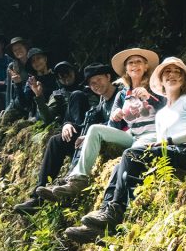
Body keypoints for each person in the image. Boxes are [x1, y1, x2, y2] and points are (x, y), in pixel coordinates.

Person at [65, 57, 186, 244]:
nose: (172, 76)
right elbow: (159, 142)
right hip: (173, 153)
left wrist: (168, 141)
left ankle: (115, 213)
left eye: (178, 73)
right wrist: (162, 144)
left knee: (131, 154)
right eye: (167, 73)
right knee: (119, 166)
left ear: (184, 79)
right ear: (160, 80)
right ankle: (105, 215)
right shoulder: (160, 114)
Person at [37, 47, 163, 202]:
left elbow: (168, 108)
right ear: (126, 69)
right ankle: (77, 179)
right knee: (94, 129)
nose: (134, 65)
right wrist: (114, 118)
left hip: (152, 134)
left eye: (138, 62)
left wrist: (149, 97)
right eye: (130, 62)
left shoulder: (155, 87)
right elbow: (111, 126)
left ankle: (113, 204)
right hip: (132, 135)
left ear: (146, 66)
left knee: (129, 155)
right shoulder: (123, 95)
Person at [13, 63, 120, 214]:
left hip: (108, 136)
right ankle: (38, 197)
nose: (96, 85)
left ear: (108, 77)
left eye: (99, 80)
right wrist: (67, 124)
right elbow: (49, 117)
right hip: (88, 133)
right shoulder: (99, 99)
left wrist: (88, 132)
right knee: (56, 141)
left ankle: (71, 179)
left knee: (77, 97)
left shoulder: (119, 94)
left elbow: (116, 122)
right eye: (92, 83)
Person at [22, 48, 59, 121]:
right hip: (40, 114)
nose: (36, 62)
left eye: (38, 58)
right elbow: (25, 103)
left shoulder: (56, 75)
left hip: (57, 107)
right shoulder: (32, 82)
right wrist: (18, 84)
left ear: (45, 59)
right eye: (33, 61)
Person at [3, 36, 32, 118]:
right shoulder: (12, 66)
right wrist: (7, 107)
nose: (18, 51)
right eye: (15, 50)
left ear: (25, 47)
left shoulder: (34, 60)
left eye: (20, 48)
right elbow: (9, 90)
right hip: (20, 96)